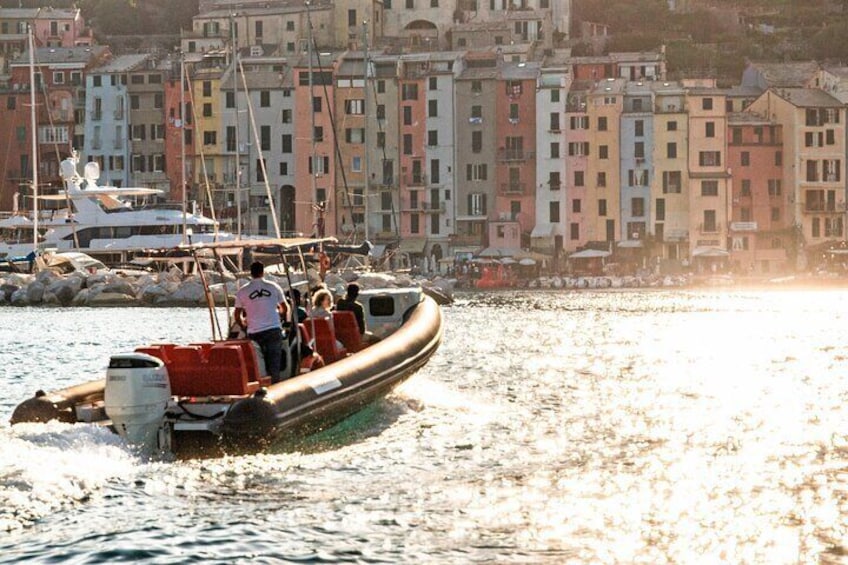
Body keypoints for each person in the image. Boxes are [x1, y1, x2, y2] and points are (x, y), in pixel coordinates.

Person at [234, 261, 286, 383]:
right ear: (263, 272)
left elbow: (237, 314)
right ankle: (276, 389)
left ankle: (259, 387)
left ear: (250, 273)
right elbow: (284, 308)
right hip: (273, 330)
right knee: (274, 365)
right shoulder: (274, 287)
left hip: (254, 332)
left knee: (258, 365)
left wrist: (244, 326)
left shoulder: (242, 291)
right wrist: (280, 318)